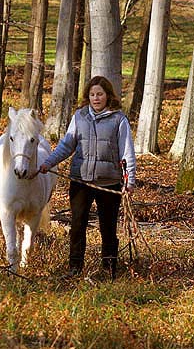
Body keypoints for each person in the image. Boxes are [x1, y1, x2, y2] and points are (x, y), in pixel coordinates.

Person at [38, 75, 136, 279]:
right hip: (81, 181)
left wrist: (130, 180)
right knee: (77, 225)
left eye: (100, 94)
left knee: (107, 228)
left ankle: (109, 269)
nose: (96, 98)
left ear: (108, 96)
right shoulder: (79, 116)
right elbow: (67, 145)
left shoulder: (119, 119)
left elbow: (127, 152)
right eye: (92, 94)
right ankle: (75, 268)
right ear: (88, 97)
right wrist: (48, 162)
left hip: (109, 183)